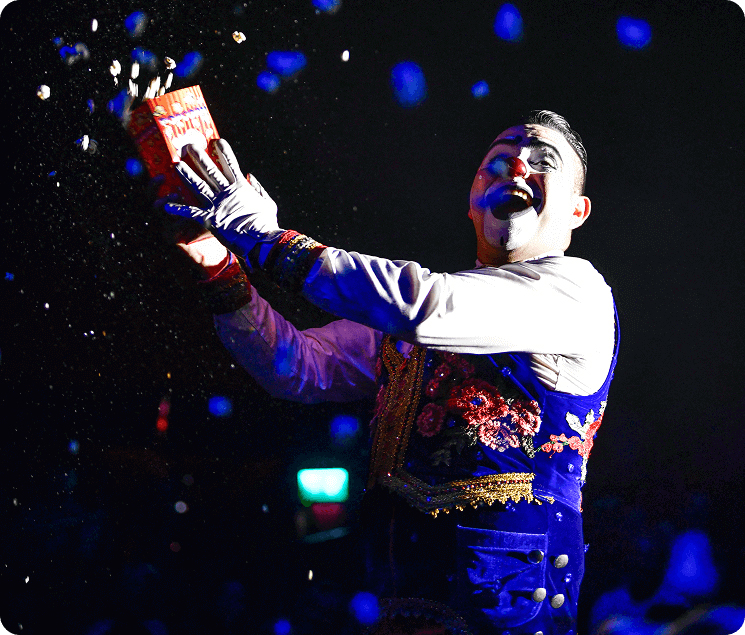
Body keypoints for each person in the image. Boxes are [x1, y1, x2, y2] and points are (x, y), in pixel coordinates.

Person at [164, 110, 619, 635]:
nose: (517, 163)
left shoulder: (577, 292)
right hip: (401, 604)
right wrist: (218, 265)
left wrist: (264, 236)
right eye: (500, 158)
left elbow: (424, 306)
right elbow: (296, 366)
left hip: (508, 612)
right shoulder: (420, 317)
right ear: (471, 198)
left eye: (544, 161)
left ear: (577, 211)